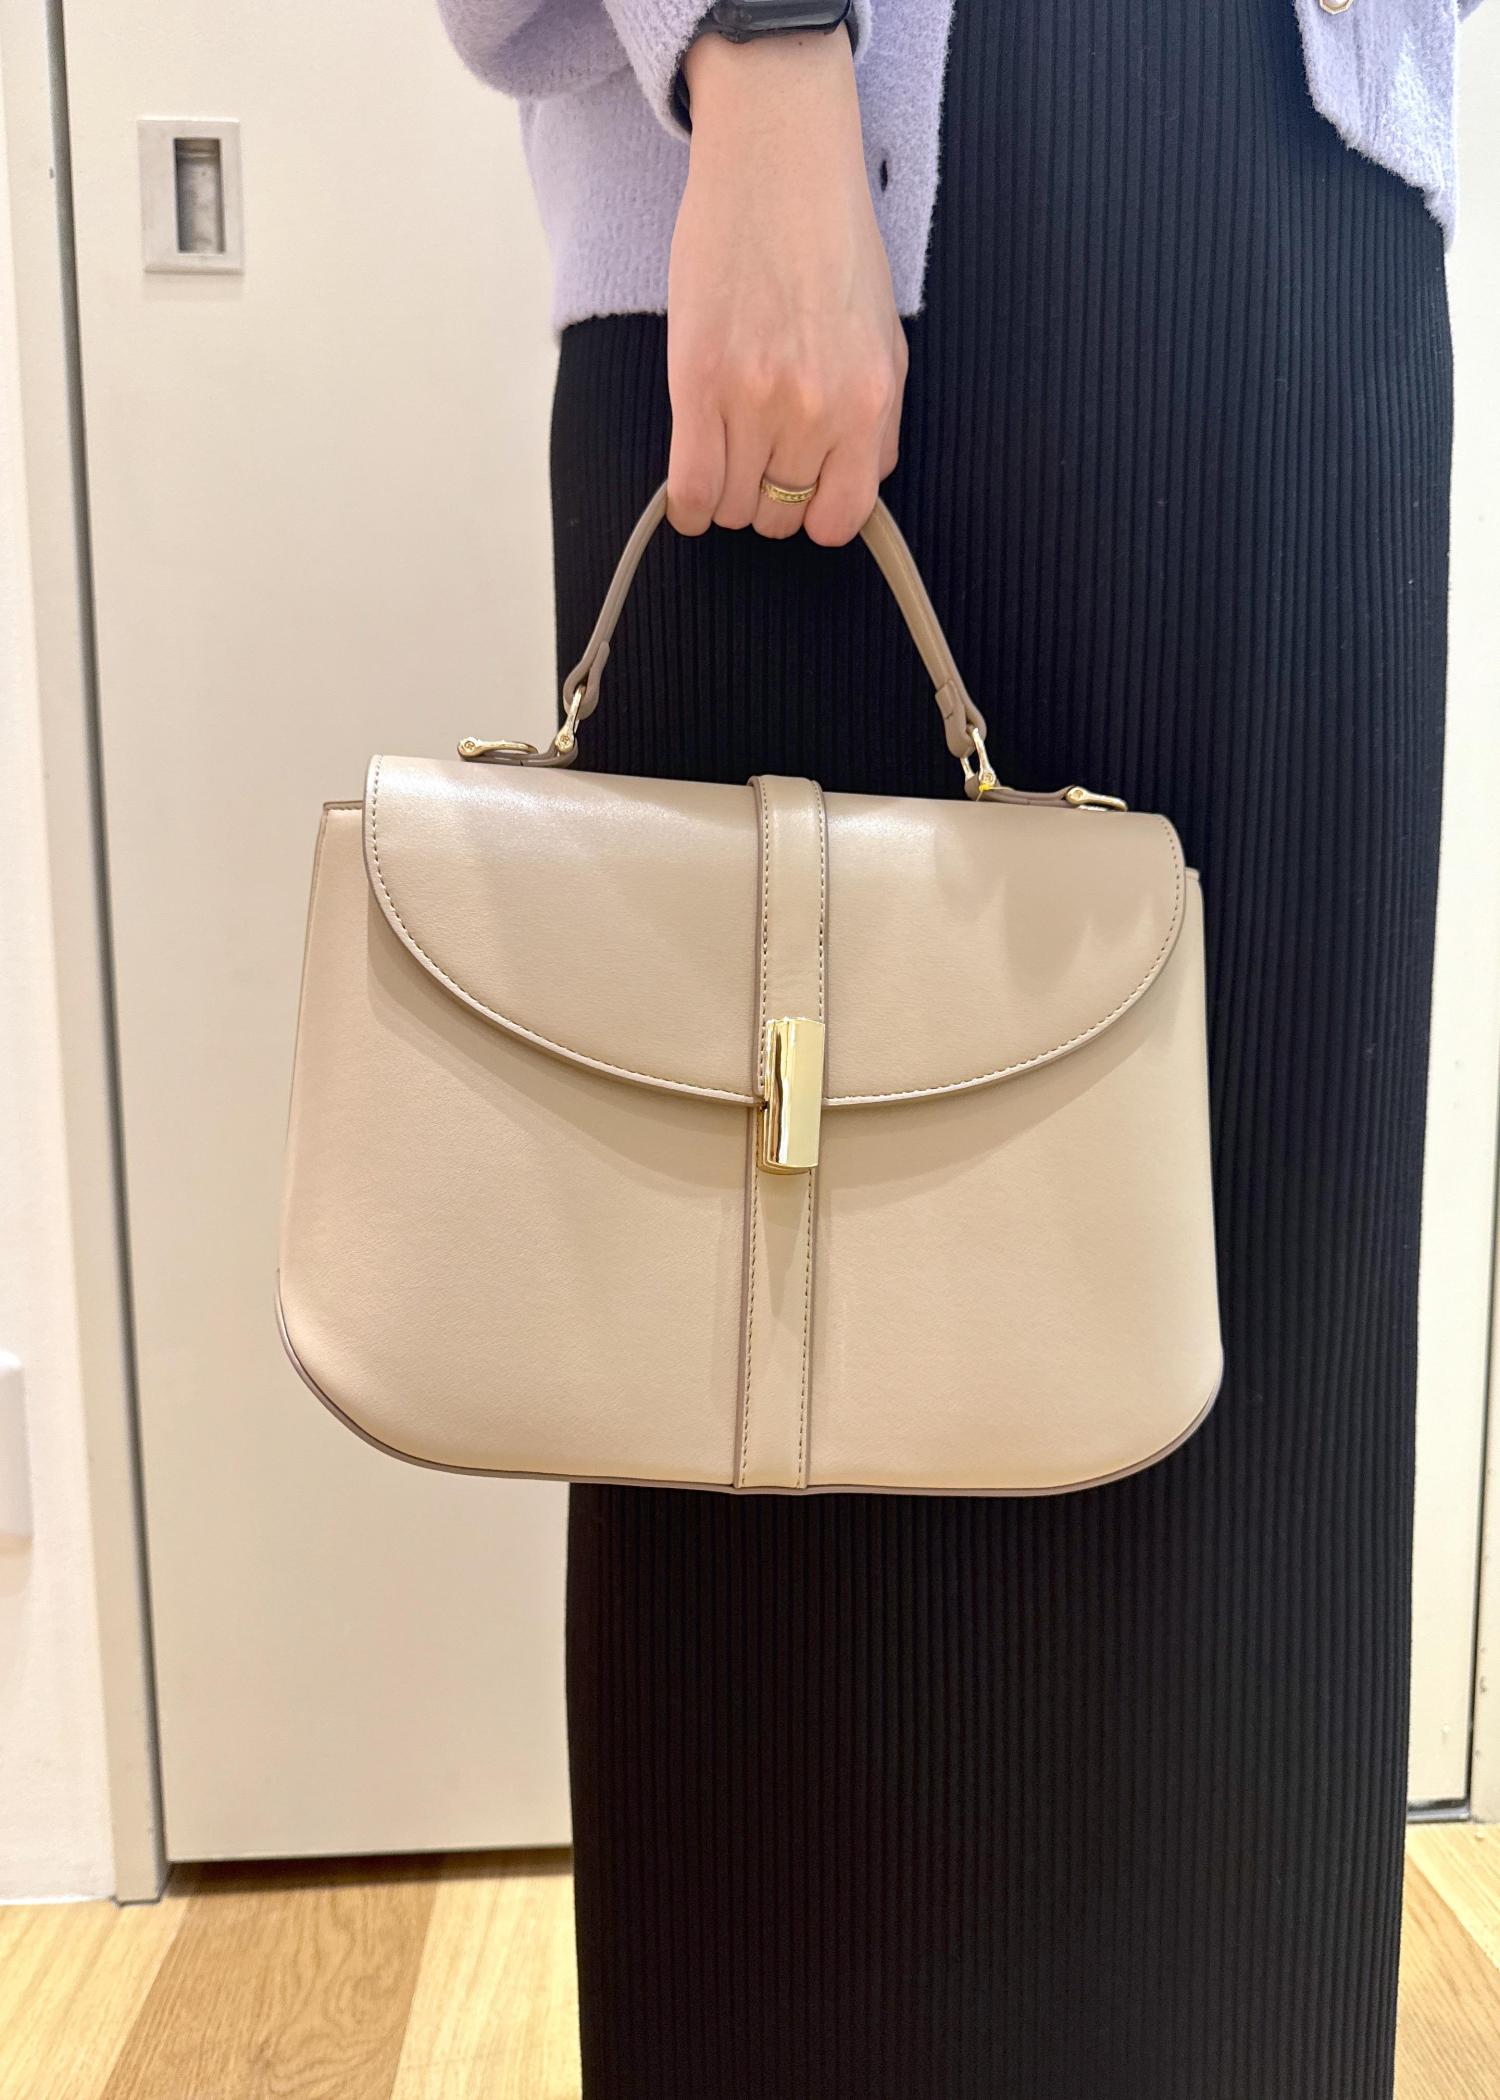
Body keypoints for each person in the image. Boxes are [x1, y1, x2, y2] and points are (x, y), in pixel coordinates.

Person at [437, 3, 1480, 2093]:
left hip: (1307, 188)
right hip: (811, 180)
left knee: (1256, 1446)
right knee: (774, 1454)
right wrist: (759, 43)